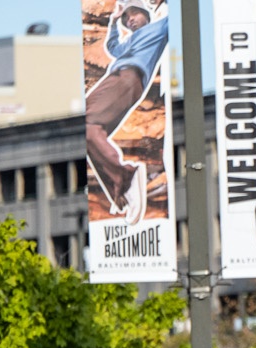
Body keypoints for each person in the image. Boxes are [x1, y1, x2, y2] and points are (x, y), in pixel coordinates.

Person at [85, 0, 168, 228]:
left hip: (128, 77)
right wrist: (114, 21)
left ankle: (127, 177)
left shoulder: (158, 29)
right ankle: (121, 193)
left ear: (146, 14)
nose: (130, 19)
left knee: (87, 127)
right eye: (127, 18)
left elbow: (170, 18)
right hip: (117, 78)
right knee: (87, 132)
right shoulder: (130, 39)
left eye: (134, 14)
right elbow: (113, 48)